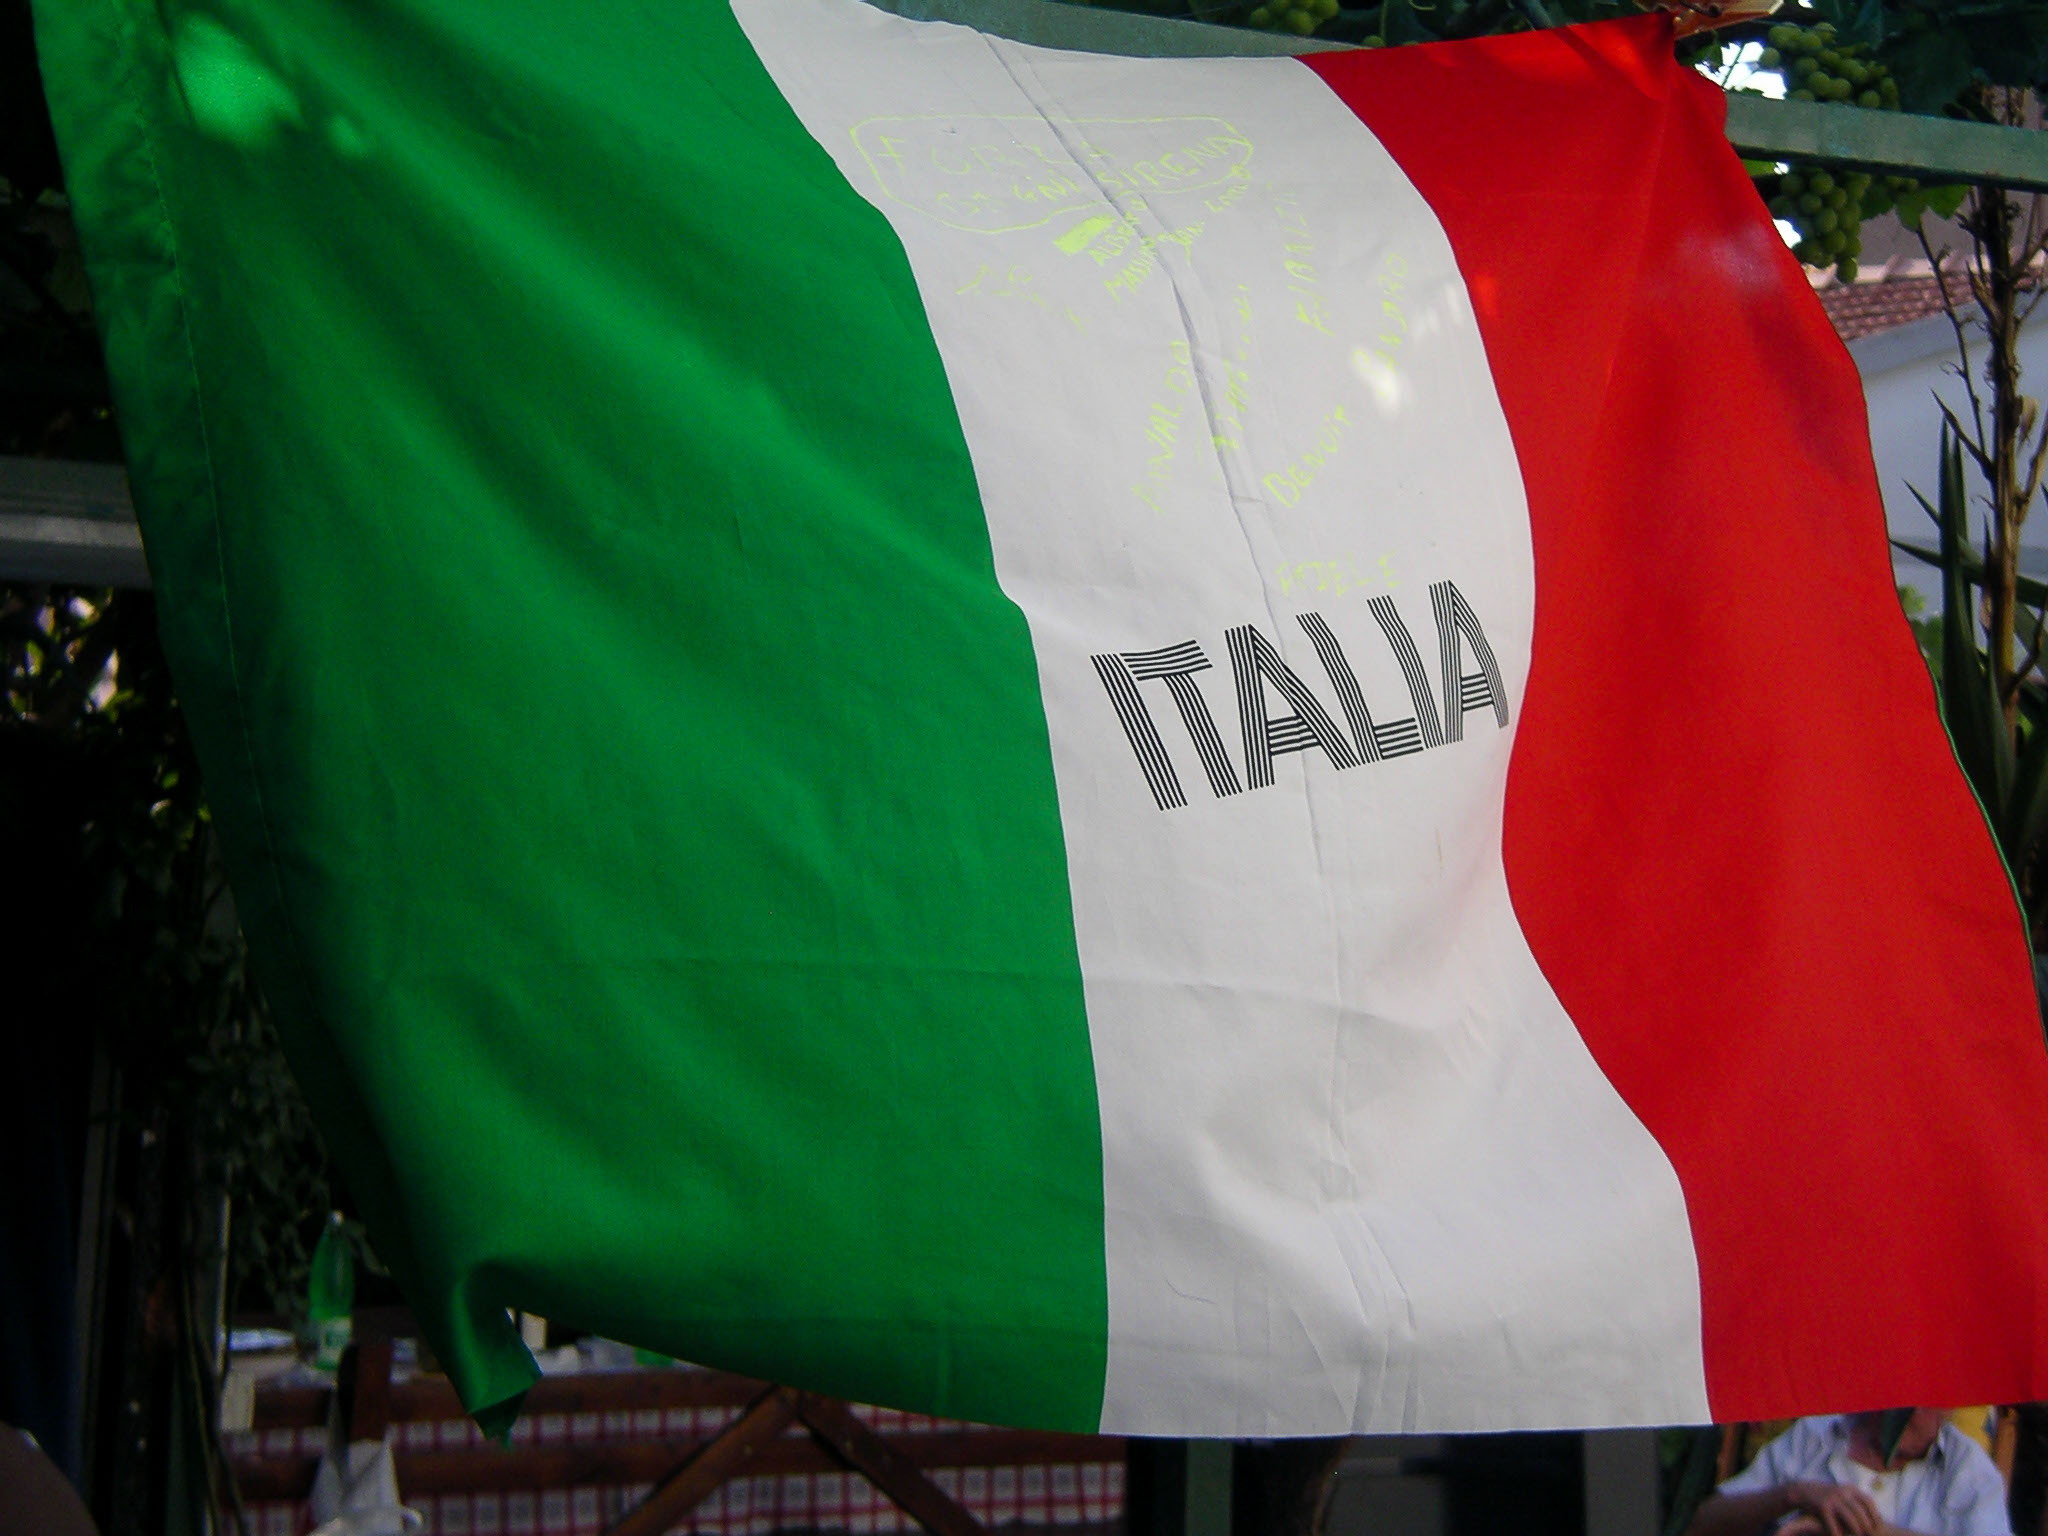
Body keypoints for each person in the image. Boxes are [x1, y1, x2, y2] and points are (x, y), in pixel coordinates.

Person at [1683, 1410, 2011, 1536]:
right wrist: (1794, 1495)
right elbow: (1703, 1525)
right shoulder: (1817, 1434)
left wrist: (1866, 1529)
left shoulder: (1966, 1468)